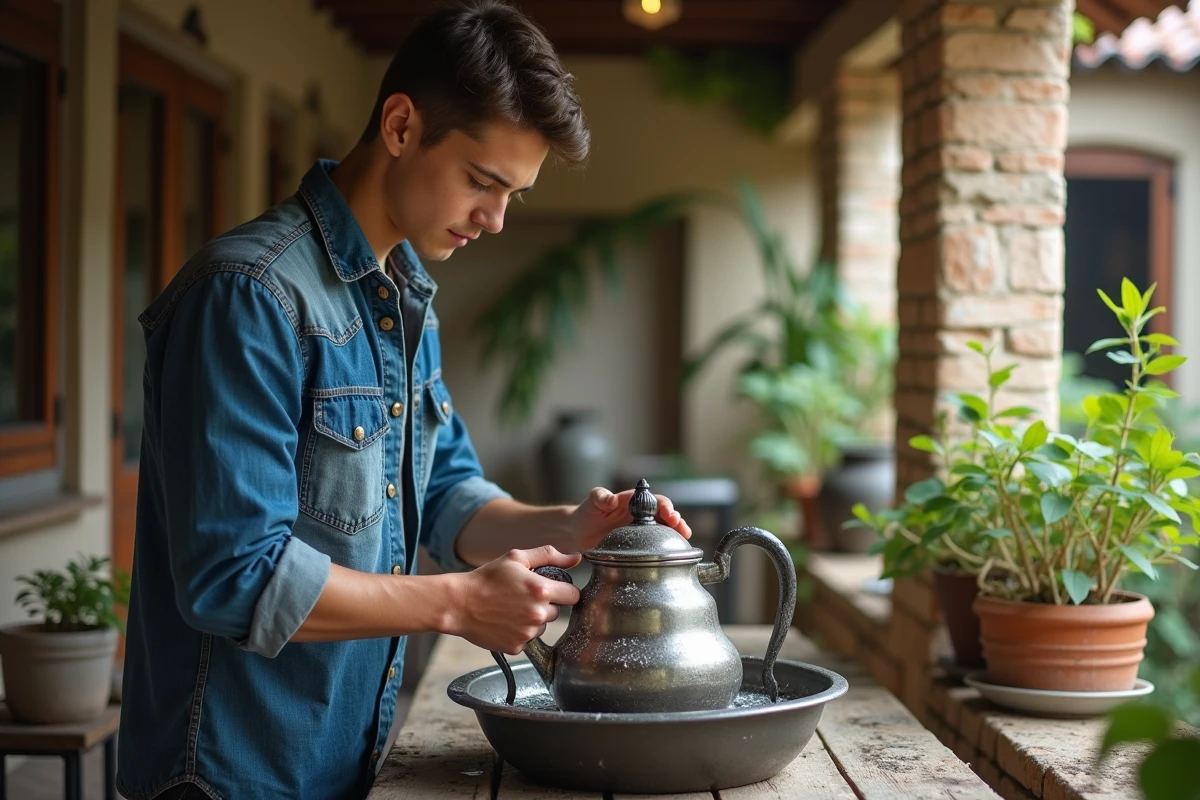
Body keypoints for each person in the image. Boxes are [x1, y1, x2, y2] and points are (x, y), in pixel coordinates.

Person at [115, 3, 691, 798]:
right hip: (232, 774)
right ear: (398, 125)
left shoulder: (404, 298)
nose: (493, 219)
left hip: (343, 761)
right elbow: (234, 575)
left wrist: (570, 525)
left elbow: (448, 497)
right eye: (482, 182)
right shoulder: (249, 296)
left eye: (512, 196)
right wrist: (456, 604)